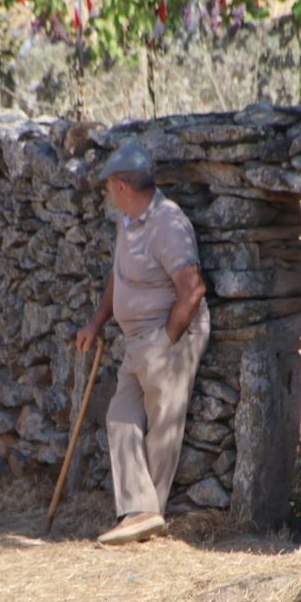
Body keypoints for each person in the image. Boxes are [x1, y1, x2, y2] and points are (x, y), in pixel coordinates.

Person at [76, 143, 210, 546]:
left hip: (169, 334)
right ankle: (140, 512)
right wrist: (97, 321)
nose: (107, 195)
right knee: (121, 416)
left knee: (163, 419)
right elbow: (119, 275)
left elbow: (193, 289)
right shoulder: (128, 221)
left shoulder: (168, 224)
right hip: (137, 339)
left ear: (119, 185)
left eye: (107, 188)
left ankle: (148, 514)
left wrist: (166, 342)